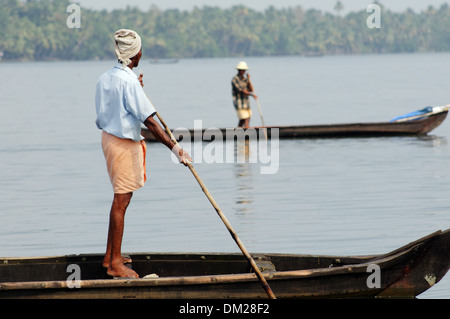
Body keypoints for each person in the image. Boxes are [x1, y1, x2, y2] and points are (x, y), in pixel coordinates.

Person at [95, 29, 191, 278]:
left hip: (108, 139)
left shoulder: (107, 78)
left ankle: (110, 256)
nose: (142, 53)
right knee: (121, 201)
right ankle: (115, 264)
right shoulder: (127, 82)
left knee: (120, 200)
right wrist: (176, 148)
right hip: (122, 144)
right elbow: (150, 122)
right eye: (140, 50)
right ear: (135, 54)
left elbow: (116, 105)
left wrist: (134, 87)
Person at [231, 61, 257, 127]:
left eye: (244, 70)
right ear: (239, 70)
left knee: (246, 118)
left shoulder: (245, 79)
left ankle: (240, 132)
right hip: (239, 103)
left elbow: (251, 89)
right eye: (241, 70)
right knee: (244, 118)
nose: (243, 71)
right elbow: (241, 90)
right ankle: (245, 133)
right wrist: (252, 95)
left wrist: (249, 79)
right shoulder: (235, 79)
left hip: (246, 102)